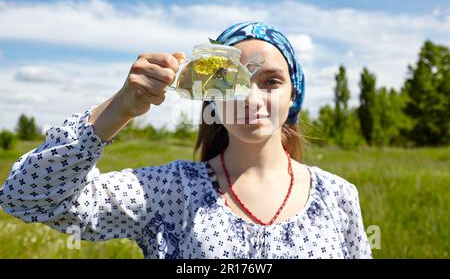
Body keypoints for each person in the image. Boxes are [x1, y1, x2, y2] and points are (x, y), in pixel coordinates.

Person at [0, 22, 372, 259]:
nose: (252, 99)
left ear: (293, 95)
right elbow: (26, 197)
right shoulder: (169, 192)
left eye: (271, 81)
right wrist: (120, 108)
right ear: (210, 95)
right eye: (231, 81)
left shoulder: (337, 197)